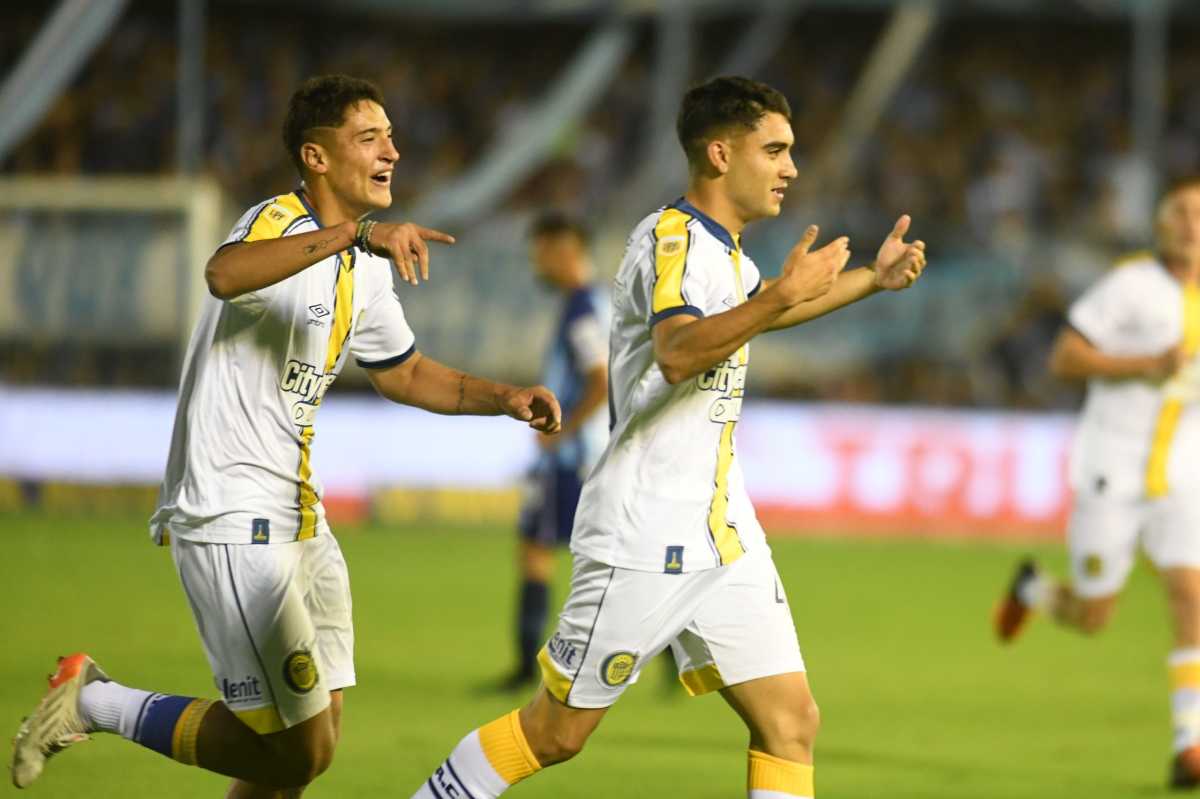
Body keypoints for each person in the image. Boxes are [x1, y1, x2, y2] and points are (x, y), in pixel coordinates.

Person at [10, 74, 561, 796]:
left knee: (310, 746)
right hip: (233, 513)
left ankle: (96, 700)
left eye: (391, 136)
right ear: (317, 157)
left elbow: (407, 372)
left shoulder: (364, 270)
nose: (392, 150)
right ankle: (92, 700)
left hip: (300, 514)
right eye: (369, 138)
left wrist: (506, 396)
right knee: (290, 752)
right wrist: (354, 234)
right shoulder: (278, 220)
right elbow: (222, 272)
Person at [408, 75, 926, 799]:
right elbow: (680, 351)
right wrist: (779, 291)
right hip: (647, 528)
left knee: (790, 720)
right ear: (719, 154)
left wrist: (873, 277)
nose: (791, 169)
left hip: (721, 527)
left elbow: (760, 318)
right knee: (554, 733)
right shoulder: (671, 237)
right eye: (774, 150)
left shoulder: (727, 255)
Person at [994, 177, 1200, 789]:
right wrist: (1145, 365)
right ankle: (1034, 589)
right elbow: (1065, 358)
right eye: (1180, 212)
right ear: (1161, 224)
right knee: (1093, 616)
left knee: (1191, 598)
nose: (1191, 223)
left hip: (1185, 473)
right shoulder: (1131, 284)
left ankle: (1190, 742)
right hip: (1114, 466)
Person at [498, 211, 610, 689]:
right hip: (593, 453)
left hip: (571, 458)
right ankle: (669, 653)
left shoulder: (581, 308)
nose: (536, 265)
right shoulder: (597, 302)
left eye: (540, 254)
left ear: (563, 250)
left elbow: (600, 380)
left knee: (537, 550)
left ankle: (526, 665)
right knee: (613, 559)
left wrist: (561, 432)